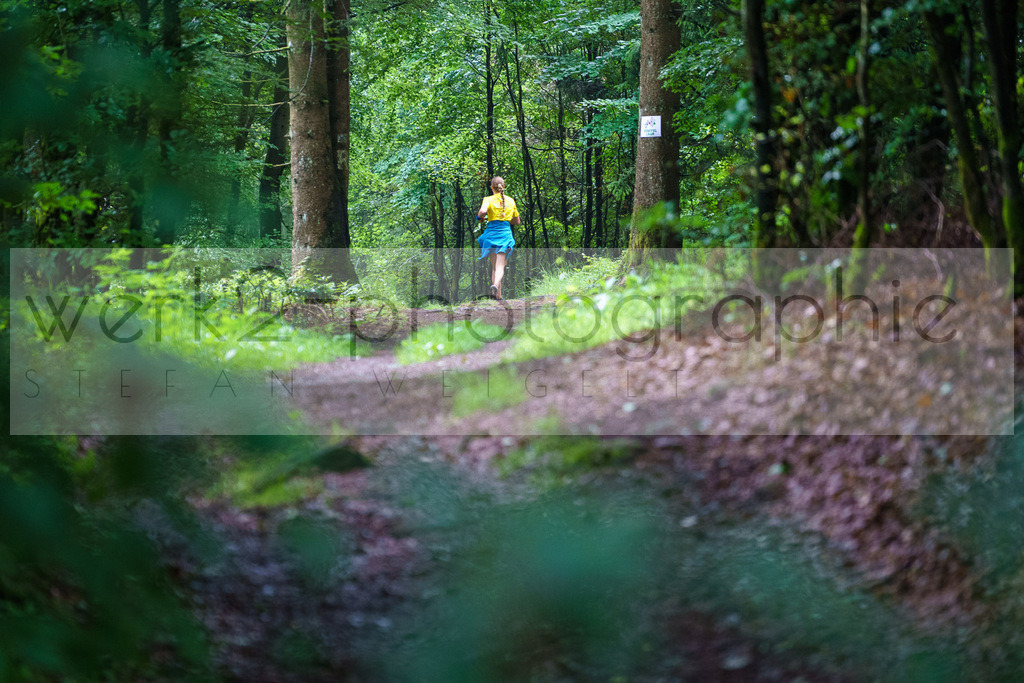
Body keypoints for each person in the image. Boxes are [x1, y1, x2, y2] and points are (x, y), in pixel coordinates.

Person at [476, 176, 520, 300]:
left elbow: (482, 212)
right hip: (505, 234)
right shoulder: (511, 201)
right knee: (500, 266)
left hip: (491, 235)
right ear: (503, 187)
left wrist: (479, 218)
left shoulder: (488, 199)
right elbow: (517, 222)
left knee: (494, 266)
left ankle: (497, 296)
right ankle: (495, 286)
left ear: (491, 188)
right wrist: (505, 217)